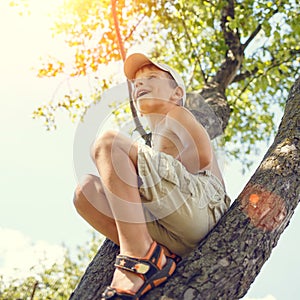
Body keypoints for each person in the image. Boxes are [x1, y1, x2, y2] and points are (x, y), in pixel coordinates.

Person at [73, 53, 230, 299]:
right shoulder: (156, 139)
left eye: (151, 77)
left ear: (176, 94)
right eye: (137, 83)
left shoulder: (177, 114)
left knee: (108, 142)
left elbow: (202, 156)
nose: (140, 84)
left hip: (204, 207)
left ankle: (137, 256)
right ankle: (158, 256)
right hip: (173, 231)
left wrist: (152, 168)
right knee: (86, 192)